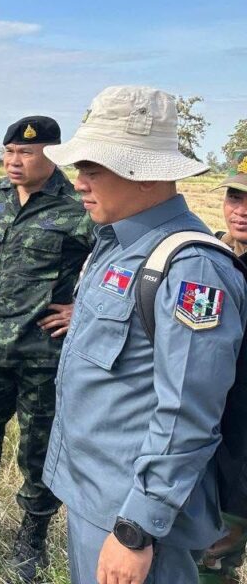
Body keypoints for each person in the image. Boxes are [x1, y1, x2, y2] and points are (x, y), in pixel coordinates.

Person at [42, 86, 247, 584]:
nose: (79, 183)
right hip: (94, 497)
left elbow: (187, 414)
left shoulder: (191, 268)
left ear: (146, 173)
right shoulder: (115, 244)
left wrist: (137, 528)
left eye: (94, 169)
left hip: (135, 520)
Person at [0, 115, 94, 582]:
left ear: (50, 155)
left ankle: (32, 536)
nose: (14, 161)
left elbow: (115, 264)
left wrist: (82, 310)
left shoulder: (76, 205)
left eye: (26, 153)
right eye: (9, 151)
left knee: (39, 450)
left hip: (44, 355)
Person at [199, 151, 247, 584]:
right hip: (205, 429)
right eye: (235, 196)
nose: (242, 210)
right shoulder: (210, 256)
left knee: (220, 545)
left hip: (242, 440)